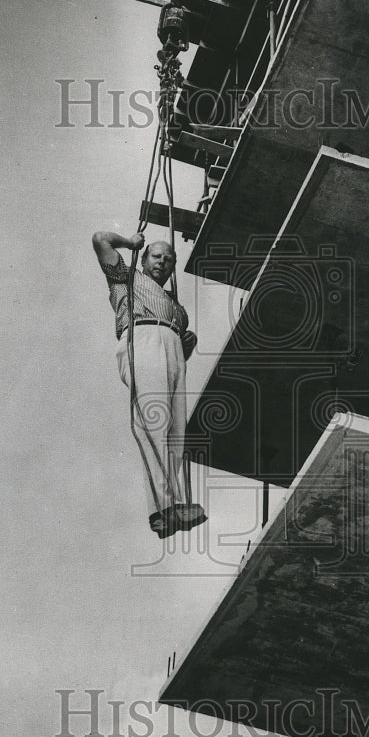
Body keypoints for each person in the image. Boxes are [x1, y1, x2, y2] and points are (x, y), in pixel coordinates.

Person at [92, 229, 207, 538]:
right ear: (143, 259)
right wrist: (130, 243)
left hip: (170, 349)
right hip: (141, 338)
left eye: (168, 259)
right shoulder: (125, 278)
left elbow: (181, 344)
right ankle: (161, 511)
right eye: (156, 256)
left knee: (176, 432)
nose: (162, 262)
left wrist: (186, 342)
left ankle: (173, 505)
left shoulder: (174, 304)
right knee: (154, 420)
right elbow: (100, 239)